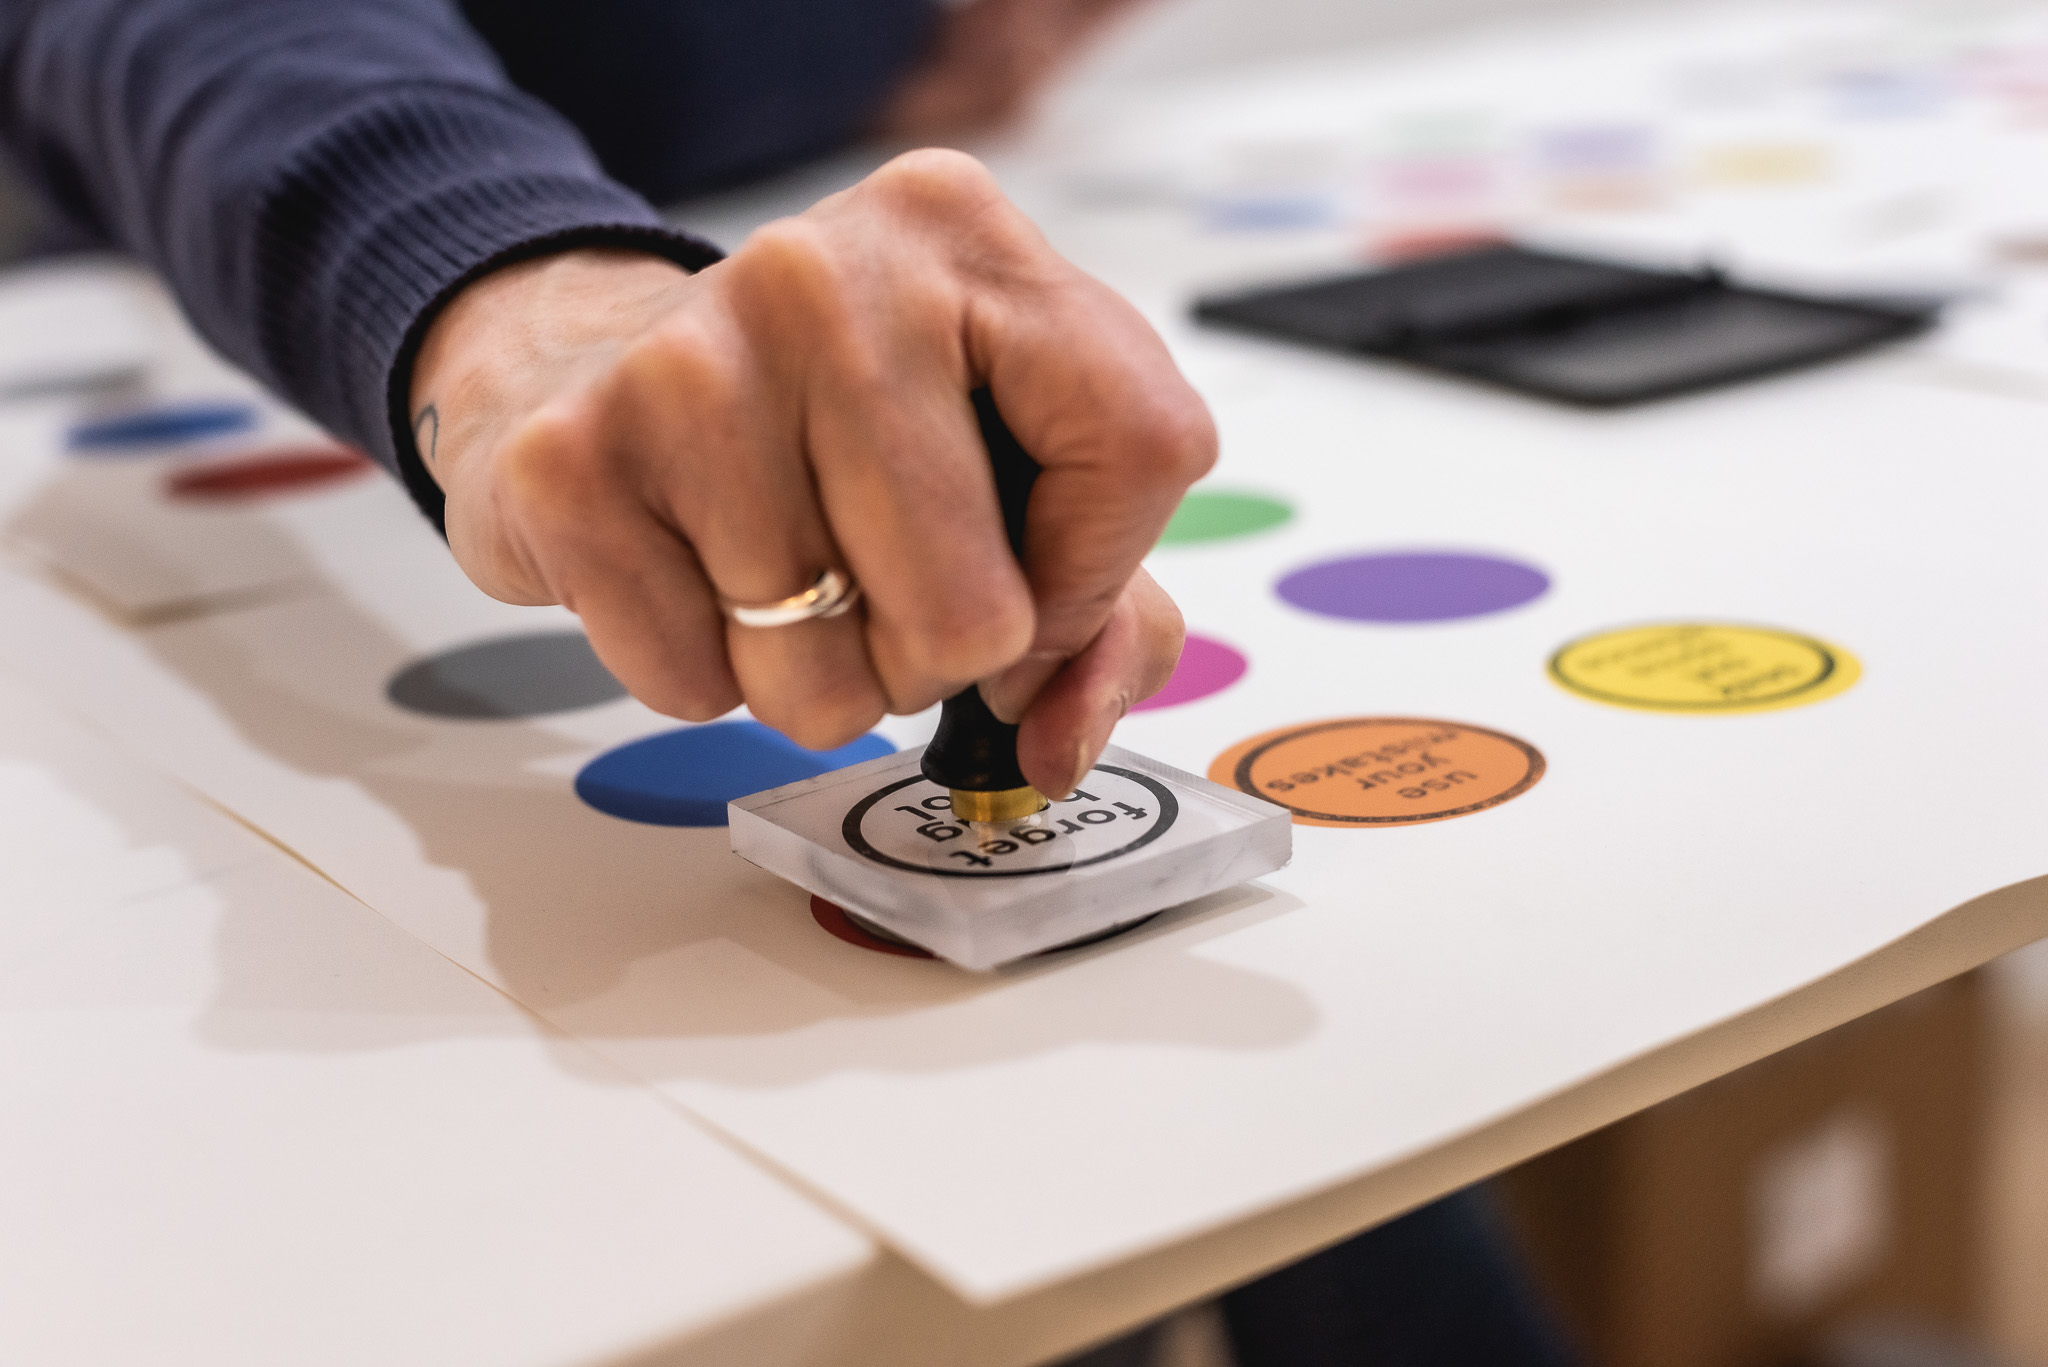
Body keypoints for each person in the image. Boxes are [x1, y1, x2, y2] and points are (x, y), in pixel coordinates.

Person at [0, 3, 1581, 1364]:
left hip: (780, 269)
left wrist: (873, 47)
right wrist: (535, 297)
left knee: (1246, 1124)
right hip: (176, 380)